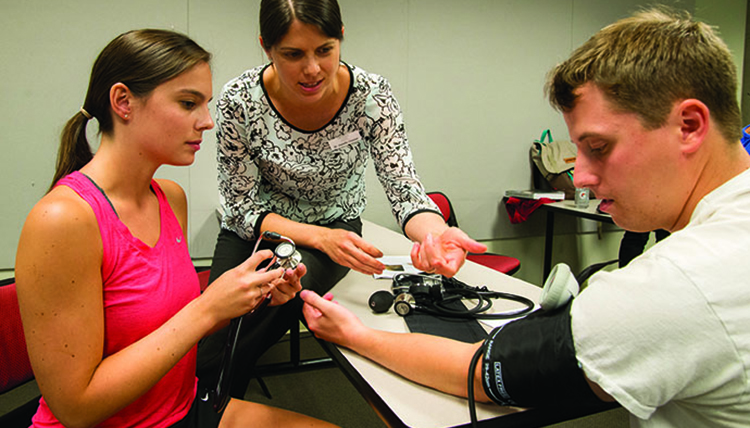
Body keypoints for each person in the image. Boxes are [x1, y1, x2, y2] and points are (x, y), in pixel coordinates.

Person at [301, 8, 750, 427]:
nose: (582, 178)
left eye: (598, 147)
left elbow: (479, 372)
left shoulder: (680, 284)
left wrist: (355, 336)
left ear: (689, 125)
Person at [15, 29, 337, 428]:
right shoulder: (64, 220)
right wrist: (207, 309)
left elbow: (168, 324)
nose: (207, 121)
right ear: (123, 102)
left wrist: (249, 297)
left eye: (206, 104)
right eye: (188, 103)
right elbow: (76, 408)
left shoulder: (169, 198)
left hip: (182, 410)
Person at [197, 0, 487, 396]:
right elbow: (242, 205)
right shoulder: (239, 101)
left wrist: (435, 234)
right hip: (259, 227)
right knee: (211, 335)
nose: (312, 69)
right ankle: (200, 407)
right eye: (293, 54)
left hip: (334, 224)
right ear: (266, 47)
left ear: (341, 38)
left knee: (260, 312)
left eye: (325, 50)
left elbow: (403, 186)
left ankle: (214, 406)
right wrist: (318, 238)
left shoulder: (371, 96)